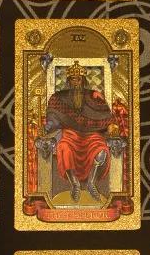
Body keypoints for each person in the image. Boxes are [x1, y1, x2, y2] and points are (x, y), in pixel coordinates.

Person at [44, 61, 112, 201]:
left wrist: (110, 124)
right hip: (70, 134)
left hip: (91, 134)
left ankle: (91, 183)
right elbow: (53, 118)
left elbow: (105, 116)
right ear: (69, 81)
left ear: (83, 80)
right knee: (64, 147)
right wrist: (48, 125)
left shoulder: (93, 95)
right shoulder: (59, 97)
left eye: (78, 79)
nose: (76, 82)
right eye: (73, 79)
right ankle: (74, 184)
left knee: (101, 151)